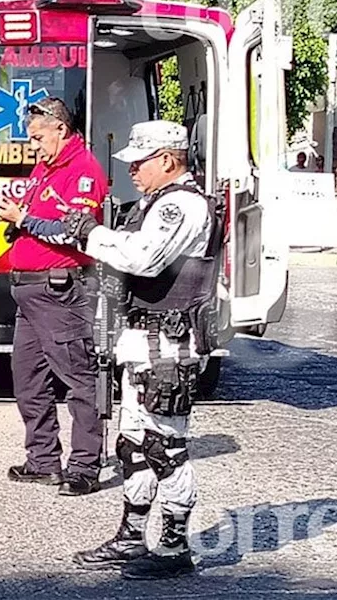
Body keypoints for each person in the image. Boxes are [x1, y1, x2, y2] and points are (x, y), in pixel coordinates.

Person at [61, 120, 223, 580]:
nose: (132, 169)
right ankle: (132, 538)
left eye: (140, 161)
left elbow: (143, 258)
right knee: (133, 443)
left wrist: (91, 234)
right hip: (143, 341)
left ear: (168, 160)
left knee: (164, 445)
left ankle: (173, 549)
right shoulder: (155, 203)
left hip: (169, 344)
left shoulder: (182, 207)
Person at [0, 98, 109, 497]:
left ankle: (85, 466)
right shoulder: (46, 169)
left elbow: (72, 232)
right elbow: (39, 219)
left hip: (59, 289)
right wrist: (12, 216)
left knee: (78, 379)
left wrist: (21, 219)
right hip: (29, 291)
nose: (34, 145)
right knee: (28, 380)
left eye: (38, 137)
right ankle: (42, 461)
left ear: (60, 128)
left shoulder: (84, 171)